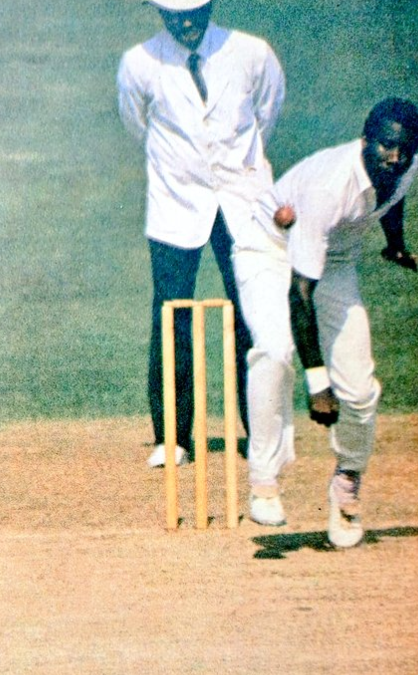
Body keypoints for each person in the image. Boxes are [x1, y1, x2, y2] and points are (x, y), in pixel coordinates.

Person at [232, 98, 418, 547]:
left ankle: (347, 483)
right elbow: (300, 296)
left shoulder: (407, 165)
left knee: (359, 390)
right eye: (385, 147)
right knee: (275, 352)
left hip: (334, 261)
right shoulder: (329, 188)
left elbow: (394, 195)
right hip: (270, 249)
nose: (394, 158)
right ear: (364, 141)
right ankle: (264, 482)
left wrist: (395, 244)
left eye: (405, 149)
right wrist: (317, 382)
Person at [117, 0, 285, 467]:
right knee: (172, 317)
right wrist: (184, 169)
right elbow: (139, 125)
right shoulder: (139, 62)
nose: (187, 22)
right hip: (175, 204)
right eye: (175, 15)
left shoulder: (252, 53)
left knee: (253, 311)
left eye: (196, 12)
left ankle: (260, 434)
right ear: (159, 14)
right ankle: (172, 438)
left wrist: (235, 170)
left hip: (244, 200)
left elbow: (267, 112)